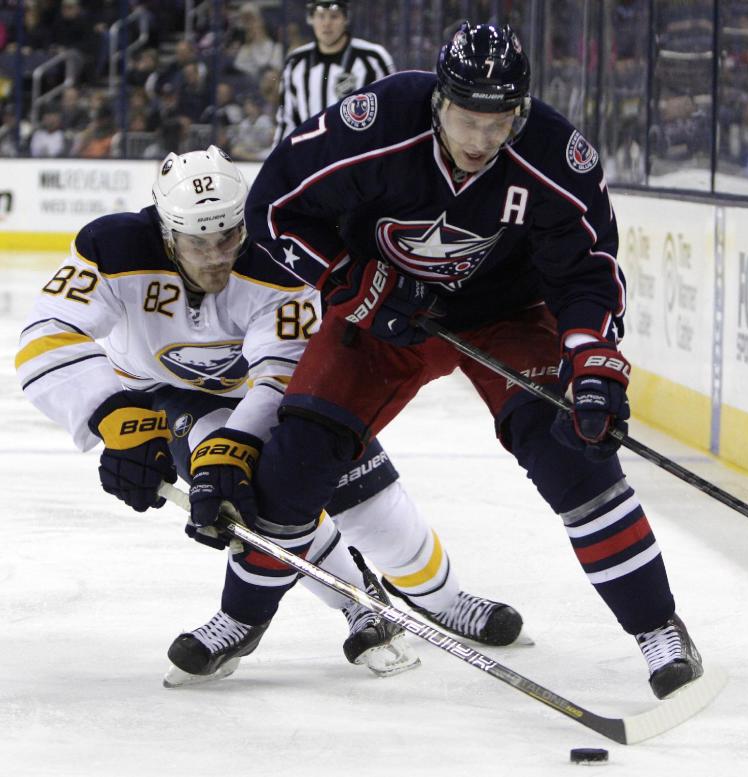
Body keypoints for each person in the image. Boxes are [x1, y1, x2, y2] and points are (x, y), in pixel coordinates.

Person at [238, 23, 705, 702]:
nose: (482, 139)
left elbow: (587, 274)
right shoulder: (380, 121)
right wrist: (353, 284)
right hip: (385, 308)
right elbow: (275, 207)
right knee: (299, 455)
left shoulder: (555, 154)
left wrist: (595, 367)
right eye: (467, 118)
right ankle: (237, 617)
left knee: (574, 453)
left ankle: (659, 627)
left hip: (505, 316)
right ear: (438, 101)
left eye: (500, 121)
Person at [16, 145, 524, 687]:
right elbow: (46, 336)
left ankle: (443, 599)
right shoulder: (111, 246)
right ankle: (355, 605)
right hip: (160, 393)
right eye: (197, 242)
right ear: (167, 234)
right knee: (241, 496)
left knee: (368, 502)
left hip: (268, 392)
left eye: (226, 238)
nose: (216, 256)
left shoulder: (278, 253)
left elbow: (282, 370)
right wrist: (116, 421)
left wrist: (236, 447)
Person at [273, 1, 394, 143]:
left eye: (334, 16)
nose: (326, 23)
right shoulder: (295, 62)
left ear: (346, 18)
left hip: (358, 159)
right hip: (310, 159)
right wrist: (276, 162)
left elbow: (390, 113)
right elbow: (286, 120)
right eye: (320, 16)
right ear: (310, 18)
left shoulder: (373, 59)